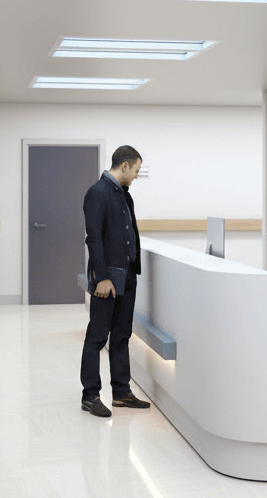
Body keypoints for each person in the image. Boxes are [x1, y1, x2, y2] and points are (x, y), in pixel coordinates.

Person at [79, 145, 151, 417]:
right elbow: (93, 238)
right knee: (97, 337)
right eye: (136, 170)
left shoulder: (123, 194)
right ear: (124, 166)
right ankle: (90, 395)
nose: (136, 176)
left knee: (121, 336)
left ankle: (121, 392)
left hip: (127, 275)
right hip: (107, 279)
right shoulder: (97, 193)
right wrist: (103, 278)